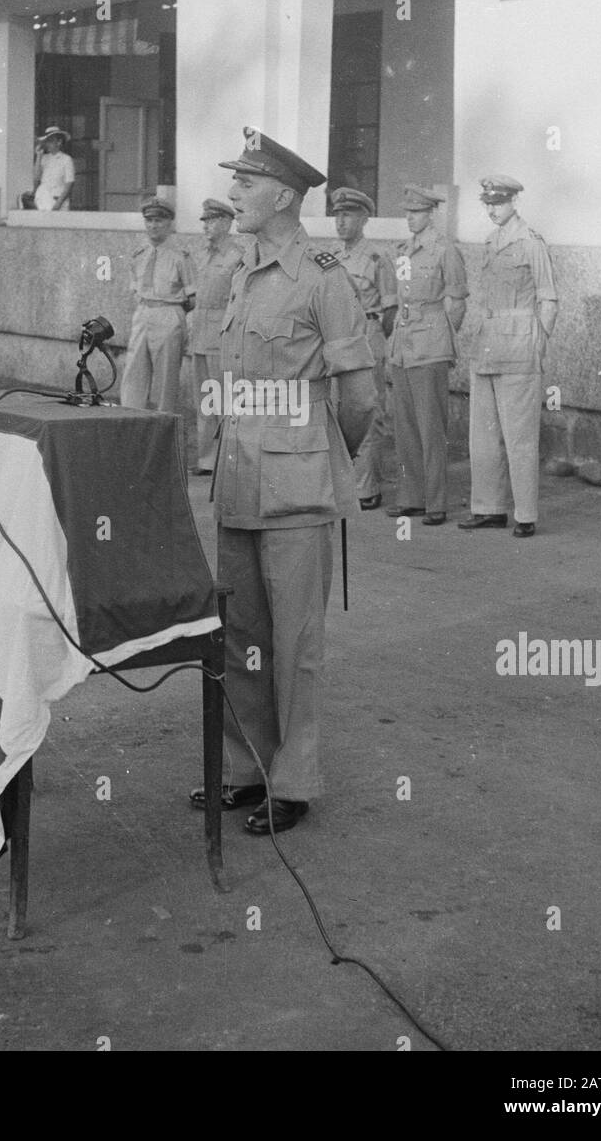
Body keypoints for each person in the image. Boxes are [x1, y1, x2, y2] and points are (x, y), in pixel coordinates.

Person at [189, 128, 376, 834]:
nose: (234, 192)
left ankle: (293, 782)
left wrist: (321, 455)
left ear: (286, 195)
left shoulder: (324, 276)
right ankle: (245, 769)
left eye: (247, 182)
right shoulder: (241, 272)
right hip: (238, 478)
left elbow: (358, 394)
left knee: (294, 643)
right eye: (235, 181)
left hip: (297, 487)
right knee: (239, 632)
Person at [458, 175, 558, 539]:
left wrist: (537, 340)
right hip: (487, 345)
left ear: (514, 202)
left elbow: (549, 298)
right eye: (487, 203)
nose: (491, 209)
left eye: (497, 203)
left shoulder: (530, 242)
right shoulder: (491, 241)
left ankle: (526, 514)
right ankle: (488, 509)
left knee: (520, 436)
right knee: (482, 435)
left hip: (518, 347)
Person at [386, 184, 468, 525]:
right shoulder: (404, 249)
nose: (410, 218)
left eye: (416, 212)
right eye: (407, 212)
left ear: (430, 214)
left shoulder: (444, 249)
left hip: (429, 345)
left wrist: (440, 333)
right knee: (404, 425)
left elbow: (458, 299)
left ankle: (436, 502)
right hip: (403, 345)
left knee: (431, 427)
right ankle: (412, 496)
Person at [329, 187, 398, 510]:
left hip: (367, 334)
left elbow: (391, 311)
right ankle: (344, 482)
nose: (341, 222)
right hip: (339, 338)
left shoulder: (376, 258)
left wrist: (374, 339)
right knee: (338, 408)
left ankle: (367, 486)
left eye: (348, 215)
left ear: (364, 219)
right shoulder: (333, 258)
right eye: (337, 215)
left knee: (368, 408)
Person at [120, 196, 196, 414]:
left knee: (165, 377)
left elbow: (193, 298)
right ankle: (129, 419)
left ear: (169, 224)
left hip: (168, 313)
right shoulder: (138, 255)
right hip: (143, 313)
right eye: (149, 221)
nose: (153, 226)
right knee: (134, 372)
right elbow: (135, 289)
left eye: (159, 221)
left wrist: (174, 316)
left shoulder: (181, 257)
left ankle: (163, 425)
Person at [190, 199, 244, 475]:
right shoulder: (202, 254)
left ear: (226, 222)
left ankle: (228, 458)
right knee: (204, 400)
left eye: (211, 220)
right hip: (199, 332)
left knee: (224, 399)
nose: (206, 226)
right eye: (204, 221)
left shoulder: (237, 256)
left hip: (221, 333)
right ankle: (207, 459)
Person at [33, 126, 75, 211]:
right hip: (43, 200)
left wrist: (58, 204)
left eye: (50, 141)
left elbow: (69, 183)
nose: (47, 144)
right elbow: (36, 178)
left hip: (58, 201)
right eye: (46, 142)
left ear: (59, 142)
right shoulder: (44, 158)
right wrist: (38, 156)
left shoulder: (66, 159)